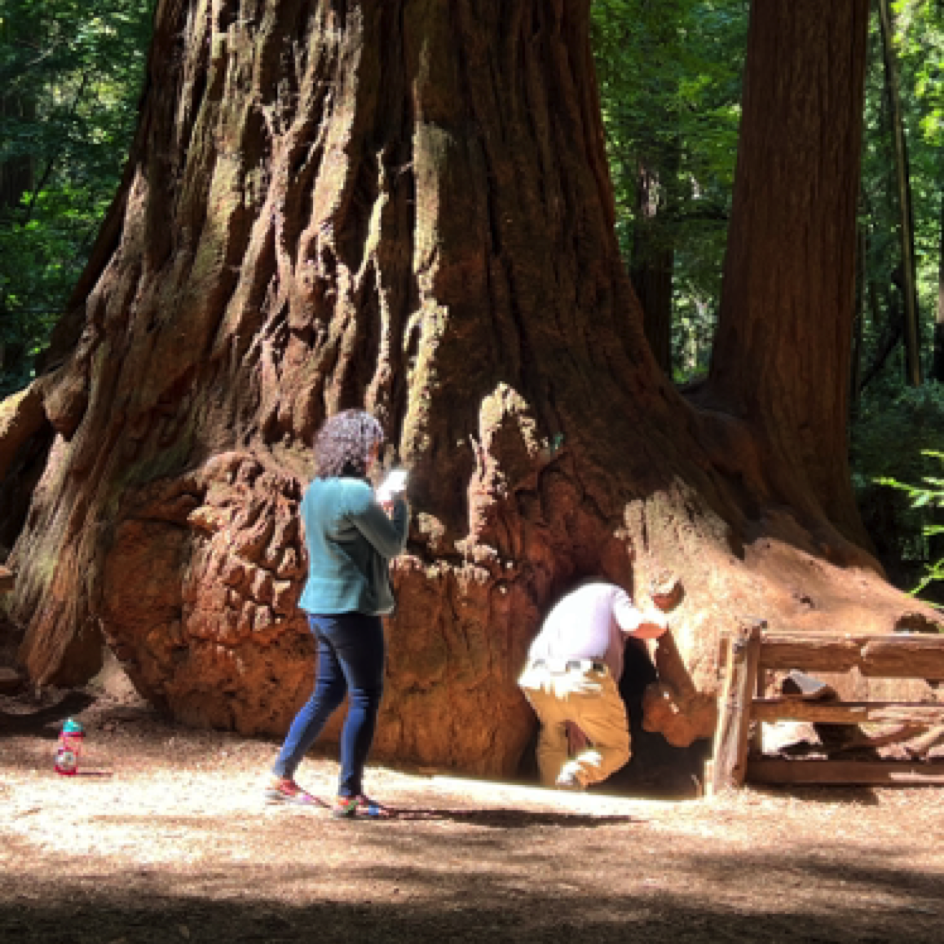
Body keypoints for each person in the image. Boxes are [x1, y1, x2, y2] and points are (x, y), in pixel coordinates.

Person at [265, 410, 409, 817]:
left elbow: (345, 536)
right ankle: (350, 794)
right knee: (365, 696)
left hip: (320, 609)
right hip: (353, 611)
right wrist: (398, 505)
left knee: (327, 692)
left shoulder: (317, 489)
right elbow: (392, 546)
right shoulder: (355, 493)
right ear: (359, 449)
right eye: (372, 450)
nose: (373, 458)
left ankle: (282, 776)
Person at [518, 579, 669, 791]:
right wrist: (660, 620)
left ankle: (553, 799)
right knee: (617, 748)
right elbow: (636, 625)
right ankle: (576, 772)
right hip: (583, 676)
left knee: (553, 735)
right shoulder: (613, 594)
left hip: (538, 676)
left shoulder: (568, 604)